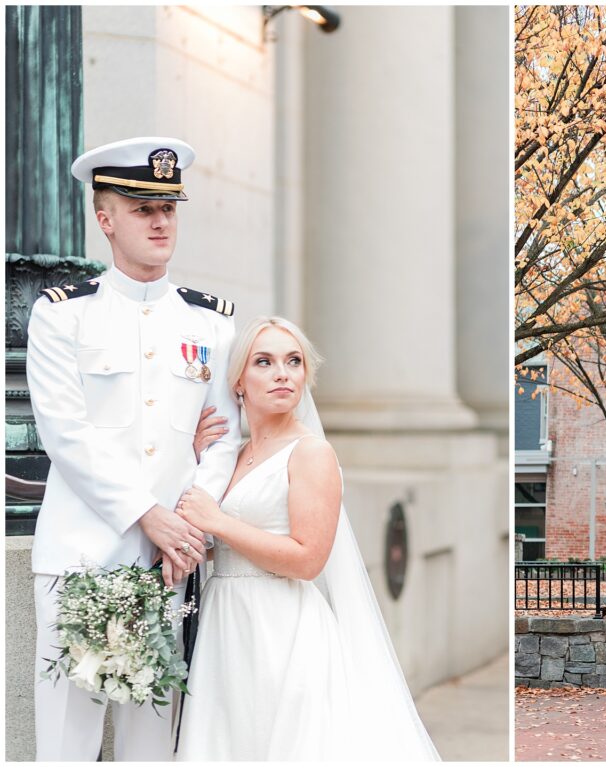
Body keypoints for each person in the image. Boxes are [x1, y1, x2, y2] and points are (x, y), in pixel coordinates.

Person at [26, 137, 241, 760]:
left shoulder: (212, 322)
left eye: (168, 208)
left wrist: (192, 522)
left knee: (155, 739)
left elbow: (223, 439)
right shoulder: (63, 316)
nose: (159, 221)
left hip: (169, 562)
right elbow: (65, 434)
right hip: (81, 557)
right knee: (68, 741)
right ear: (105, 219)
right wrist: (155, 519)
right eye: (141, 207)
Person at [175, 317, 439, 761]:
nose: (283, 372)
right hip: (227, 623)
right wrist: (193, 461)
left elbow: (308, 559)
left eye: (293, 361)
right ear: (238, 381)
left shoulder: (311, 452)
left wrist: (217, 522)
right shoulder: (236, 455)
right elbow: (211, 532)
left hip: (283, 629)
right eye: (265, 361)